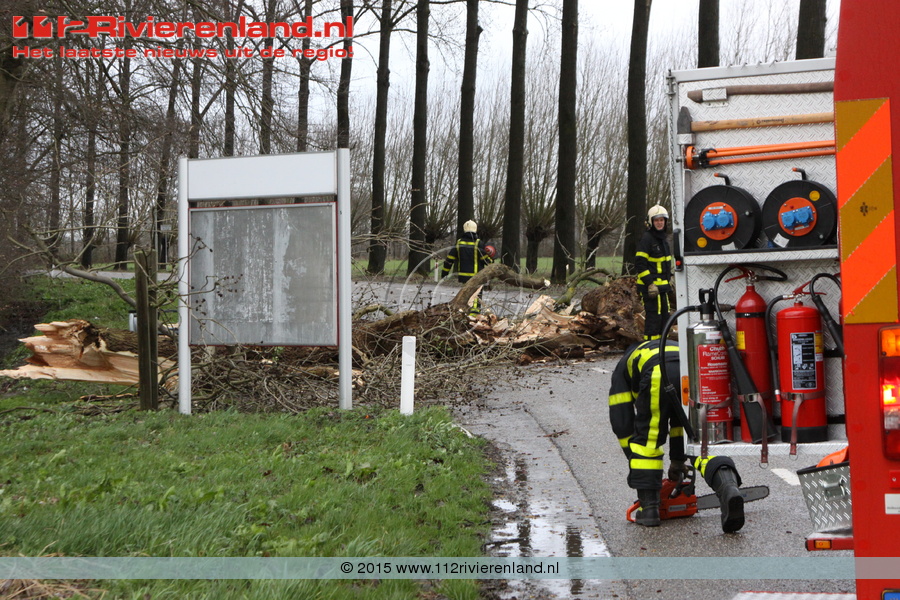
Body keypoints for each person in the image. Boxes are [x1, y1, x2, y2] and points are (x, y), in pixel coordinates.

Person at [608, 339, 745, 532]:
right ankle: (728, 487)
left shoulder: (623, 366)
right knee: (700, 439)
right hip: (692, 371)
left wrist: (635, 460)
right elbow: (678, 424)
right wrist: (678, 461)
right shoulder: (667, 345)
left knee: (648, 442)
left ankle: (649, 509)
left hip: (658, 371)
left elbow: (621, 421)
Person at [636, 205, 674, 340]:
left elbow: (665, 264)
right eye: (656, 220)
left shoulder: (663, 239)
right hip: (651, 288)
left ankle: (663, 345)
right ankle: (651, 346)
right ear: (651, 222)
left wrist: (670, 280)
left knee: (665, 317)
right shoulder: (647, 239)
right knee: (654, 318)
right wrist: (650, 284)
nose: (659, 223)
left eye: (662, 220)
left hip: (662, 288)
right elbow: (640, 264)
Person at [442, 220, 494, 314]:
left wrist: (444, 273)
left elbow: (449, 259)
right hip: (477, 276)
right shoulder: (478, 243)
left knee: (467, 295)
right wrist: (491, 260)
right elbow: (485, 260)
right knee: (476, 296)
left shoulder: (459, 243)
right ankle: (474, 315)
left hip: (463, 276)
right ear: (475, 229)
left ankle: (466, 314)